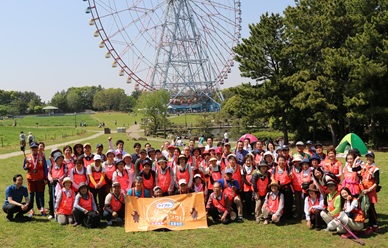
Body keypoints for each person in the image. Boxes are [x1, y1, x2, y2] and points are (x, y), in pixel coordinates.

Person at [23, 142, 47, 217]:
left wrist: (45, 177)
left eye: (35, 148)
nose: (34, 149)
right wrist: (26, 166)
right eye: (32, 148)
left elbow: (45, 168)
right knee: (31, 195)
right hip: (31, 179)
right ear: (30, 149)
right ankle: (31, 209)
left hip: (40, 178)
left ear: (37, 148)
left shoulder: (42, 156)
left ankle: (42, 209)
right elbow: (24, 167)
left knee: (40, 194)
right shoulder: (27, 157)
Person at [361, 152, 380, 234]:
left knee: (371, 208)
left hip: (370, 191)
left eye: (370, 157)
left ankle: (374, 226)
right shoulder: (364, 166)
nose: (368, 159)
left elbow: (377, 182)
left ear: (373, 158)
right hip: (364, 190)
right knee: (367, 208)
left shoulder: (375, 168)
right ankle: (371, 225)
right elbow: (360, 176)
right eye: (367, 157)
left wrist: (369, 190)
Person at [48, 149, 67, 219]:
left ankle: (61, 211)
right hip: (53, 184)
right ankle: (52, 213)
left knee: (61, 198)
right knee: (52, 198)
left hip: (61, 184)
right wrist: (51, 179)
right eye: (59, 158)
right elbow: (49, 173)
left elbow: (65, 174)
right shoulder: (52, 166)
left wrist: (59, 179)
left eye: (62, 158)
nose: (61, 159)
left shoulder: (65, 166)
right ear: (55, 159)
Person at [241, 153, 255, 219]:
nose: (248, 162)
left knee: (252, 200)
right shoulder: (243, 168)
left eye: (249, 160)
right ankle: (247, 214)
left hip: (253, 187)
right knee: (247, 200)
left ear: (252, 161)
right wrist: (250, 184)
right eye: (247, 160)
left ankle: (252, 212)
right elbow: (243, 179)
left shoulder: (254, 167)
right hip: (246, 187)